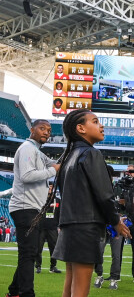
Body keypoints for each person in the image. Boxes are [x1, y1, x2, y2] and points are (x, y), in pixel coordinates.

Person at [51, 109, 131, 297]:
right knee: (80, 289)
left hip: (69, 225)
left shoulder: (68, 156)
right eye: (95, 122)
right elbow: (104, 195)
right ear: (80, 128)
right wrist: (116, 221)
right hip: (86, 226)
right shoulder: (91, 154)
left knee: (70, 285)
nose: (101, 125)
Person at [6, 119, 60, 297]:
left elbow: (53, 162)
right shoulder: (28, 148)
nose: (46, 132)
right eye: (42, 128)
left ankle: (13, 292)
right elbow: (28, 176)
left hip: (31, 208)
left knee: (28, 253)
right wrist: (54, 171)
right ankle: (26, 294)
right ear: (32, 130)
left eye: (49, 130)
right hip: (25, 207)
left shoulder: (36, 150)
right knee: (28, 254)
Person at [94, 165, 124, 291]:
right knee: (98, 252)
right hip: (102, 224)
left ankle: (114, 278)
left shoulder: (120, 189)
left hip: (116, 224)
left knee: (116, 254)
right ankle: (99, 275)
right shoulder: (97, 188)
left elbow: (125, 207)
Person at [35, 184, 61, 274]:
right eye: (48, 188)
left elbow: (60, 214)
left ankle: (53, 266)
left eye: (51, 188)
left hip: (53, 228)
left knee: (53, 248)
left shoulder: (58, 201)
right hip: (41, 228)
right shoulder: (40, 200)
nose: (50, 189)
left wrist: (60, 226)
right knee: (38, 248)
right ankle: (38, 266)